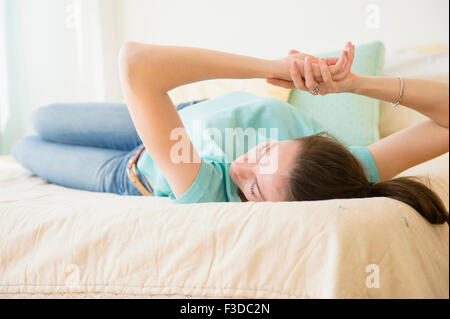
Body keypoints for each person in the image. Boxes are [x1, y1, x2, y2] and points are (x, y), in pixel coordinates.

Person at [12, 41, 449, 225]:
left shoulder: (207, 189)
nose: (242, 167)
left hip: (129, 170)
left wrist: (267, 70)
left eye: (255, 190)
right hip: (179, 114)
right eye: (265, 153)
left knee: (24, 145)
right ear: (309, 142)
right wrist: (355, 84)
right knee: (44, 117)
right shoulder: (342, 168)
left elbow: (135, 63)